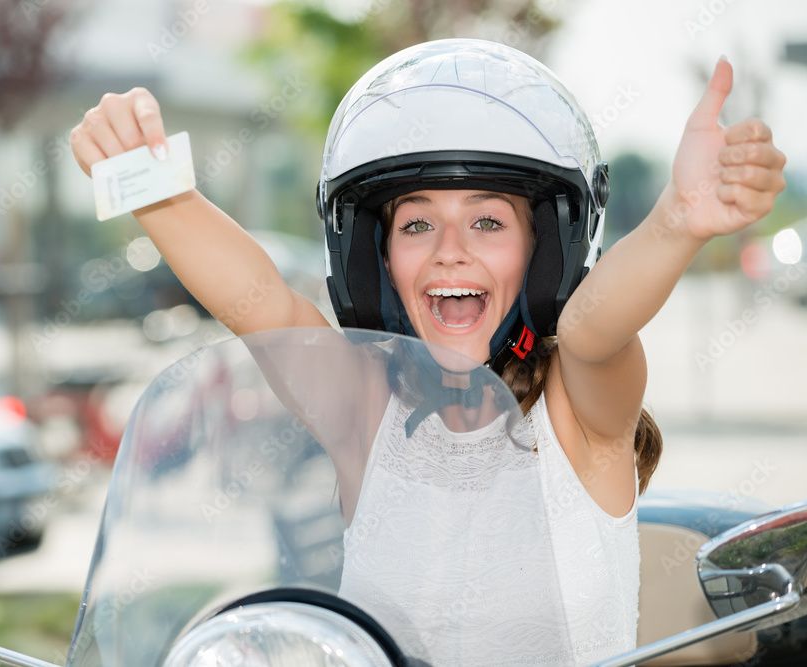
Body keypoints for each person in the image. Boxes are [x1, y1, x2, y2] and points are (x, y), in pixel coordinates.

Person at [70, 38, 786, 665]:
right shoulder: (365, 412)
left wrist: (677, 223)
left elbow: (596, 326)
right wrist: (152, 185)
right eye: (416, 224)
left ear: (545, 252)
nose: (450, 250)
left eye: (486, 220)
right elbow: (257, 302)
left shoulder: (581, 416)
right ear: (376, 259)